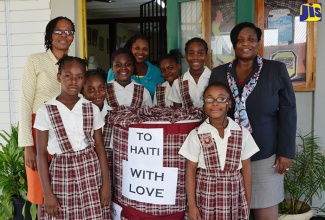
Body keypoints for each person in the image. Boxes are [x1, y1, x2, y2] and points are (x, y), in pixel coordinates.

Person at [209, 22, 297, 220]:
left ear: (258, 42)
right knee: (229, 210)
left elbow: (288, 112)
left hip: (265, 154)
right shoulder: (219, 73)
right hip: (227, 155)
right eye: (239, 40)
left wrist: (286, 151)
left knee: (265, 210)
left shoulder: (276, 70)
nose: (245, 44)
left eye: (250, 39)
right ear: (233, 44)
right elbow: (211, 111)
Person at [35, 56, 111, 219]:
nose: (73, 81)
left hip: (90, 171)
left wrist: (106, 185)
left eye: (79, 77)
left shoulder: (91, 109)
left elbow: (99, 147)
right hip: (61, 173)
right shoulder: (45, 111)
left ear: (84, 79)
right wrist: (47, 193)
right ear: (58, 77)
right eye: (68, 75)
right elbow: (40, 154)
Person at [18, 16, 75, 216]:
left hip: (67, 129)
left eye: (69, 32)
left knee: (63, 184)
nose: (63, 36)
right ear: (50, 34)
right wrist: (28, 145)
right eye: (59, 31)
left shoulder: (74, 64)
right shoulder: (36, 60)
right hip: (38, 129)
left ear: (73, 37)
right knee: (40, 188)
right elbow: (25, 101)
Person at [179, 82, 259, 220]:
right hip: (206, 194)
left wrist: (247, 202)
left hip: (233, 196)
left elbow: (246, 169)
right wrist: (192, 206)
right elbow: (190, 170)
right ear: (204, 104)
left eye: (221, 99)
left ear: (229, 103)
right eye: (209, 99)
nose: (215, 103)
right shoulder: (197, 134)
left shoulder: (241, 133)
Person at [81, 67, 113, 195]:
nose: (97, 93)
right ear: (82, 91)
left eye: (101, 88)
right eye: (90, 90)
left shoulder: (113, 115)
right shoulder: (79, 115)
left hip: (110, 170)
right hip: (87, 172)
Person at [106, 35, 164, 99]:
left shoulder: (157, 72)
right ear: (130, 49)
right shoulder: (115, 71)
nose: (141, 52)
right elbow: (109, 94)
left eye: (145, 49)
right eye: (137, 48)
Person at [168, 37, 211, 108]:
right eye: (191, 53)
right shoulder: (178, 83)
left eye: (200, 53)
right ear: (186, 55)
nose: (195, 57)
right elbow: (177, 111)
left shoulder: (214, 78)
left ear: (206, 55)